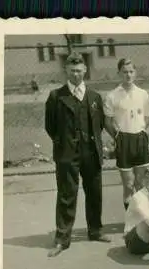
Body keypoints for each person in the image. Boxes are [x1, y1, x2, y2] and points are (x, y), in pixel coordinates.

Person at [44, 52, 110, 257]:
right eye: (72, 71)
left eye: (79, 71)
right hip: (67, 155)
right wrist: (65, 143)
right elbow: (51, 126)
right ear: (66, 71)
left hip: (91, 152)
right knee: (66, 194)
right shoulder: (56, 97)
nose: (76, 75)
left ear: (85, 70)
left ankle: (95, 230)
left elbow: (98, 126)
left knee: (95, 192)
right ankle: (62, 238)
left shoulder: (94, 97)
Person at [103, 58, 149, 211]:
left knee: (141, 183)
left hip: (140, 139)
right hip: (124, 140)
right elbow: (107, 121)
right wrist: (117, 137)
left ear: (135, 73)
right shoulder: (112, 95)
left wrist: (143, 133)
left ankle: (143, 217)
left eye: (131, 71)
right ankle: (130, 219)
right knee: (129, 184)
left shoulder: (143, 94)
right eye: (125, 72)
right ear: (119, 73)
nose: (128, 75)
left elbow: (148, 117)